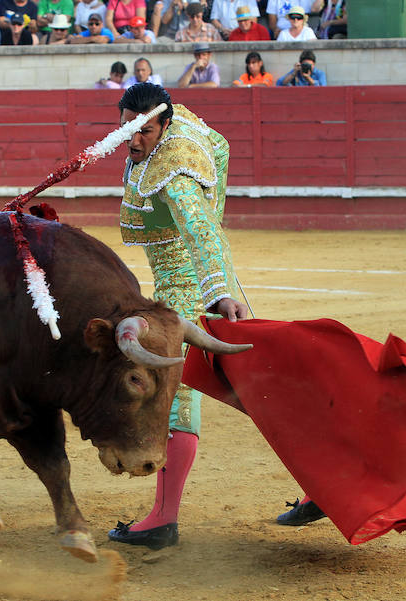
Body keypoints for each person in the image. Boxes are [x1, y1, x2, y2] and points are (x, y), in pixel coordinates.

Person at [106, 83, 248, 551]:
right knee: (250, 391)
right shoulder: (176, 119)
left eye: (144, 131)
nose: (133, 141)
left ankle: (163, 520)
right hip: (186, 284)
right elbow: (222, 146)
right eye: (127, 128)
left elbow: (202, 231)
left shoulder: (173, 172)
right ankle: (325, 481)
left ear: (164, 126)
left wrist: (220, 292)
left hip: (187, 291)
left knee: (177, 397)